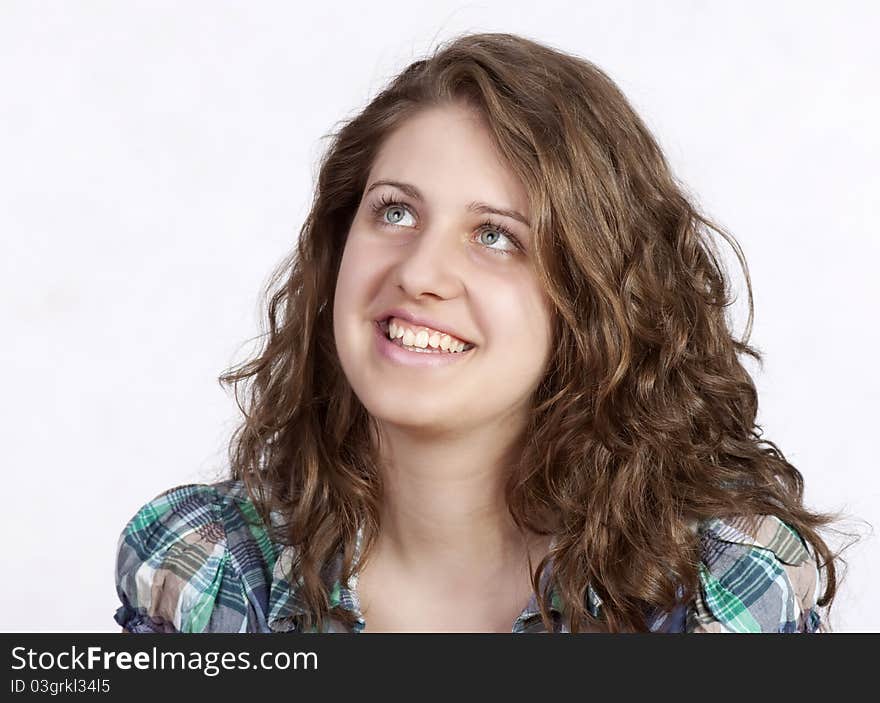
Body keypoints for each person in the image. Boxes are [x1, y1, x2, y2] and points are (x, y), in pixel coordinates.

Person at [114, 32, 843, 634]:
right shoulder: (210, 565)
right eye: (395, 212)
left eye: (495, 235)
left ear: (594, 300)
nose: (420, 272)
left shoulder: (718, 588)